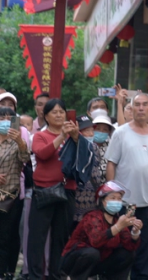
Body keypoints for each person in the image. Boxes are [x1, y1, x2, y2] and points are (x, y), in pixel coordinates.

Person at [104, 92, 148, 280]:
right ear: (130, 108)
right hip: (124, 202)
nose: (140, 108)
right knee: (121, 244)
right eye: (136, 105)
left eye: (144, 105)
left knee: (144, 246)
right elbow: (111, 163)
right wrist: (110, 192)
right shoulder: (121, 132)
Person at [29, 99, 79, 280]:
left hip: (67, 190)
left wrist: (75, 138)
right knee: (37, 237)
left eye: (61, 111)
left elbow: (84, 158)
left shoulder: (75, 135)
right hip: (44, 191)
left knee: (61, 237)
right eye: (54, 112)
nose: (59, 115)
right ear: (46, 116)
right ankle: (35, 276)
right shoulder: (40, 136)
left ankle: (55, 275)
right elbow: (42, 154)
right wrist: (61, 137)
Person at [60, 181, 141, 280]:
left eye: (119, 199)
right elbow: (96, 241)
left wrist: (135, 233)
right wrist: (118, 227)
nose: (117, 201)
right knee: (92, 253)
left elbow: (130, 246)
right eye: (112, 198)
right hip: (75, 261)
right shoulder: (92, 217)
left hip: (99, 262)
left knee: (128, 254)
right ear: (103, 201)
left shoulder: (117, 220)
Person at [0, 104, 30, 279]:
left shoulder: (18, 143)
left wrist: (19, 140)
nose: (5, 122)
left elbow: (25, 159)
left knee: (6, 237)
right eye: (1, 118)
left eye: (9, 119)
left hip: (10, 198)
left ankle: (5, 272)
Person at [74, 116, 102, 221]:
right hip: (77, 194)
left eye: (92, 130)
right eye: (86, 131)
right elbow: (95, 173)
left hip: (91, 196)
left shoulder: (94, 147)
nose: (90, 134)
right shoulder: (73, 146)